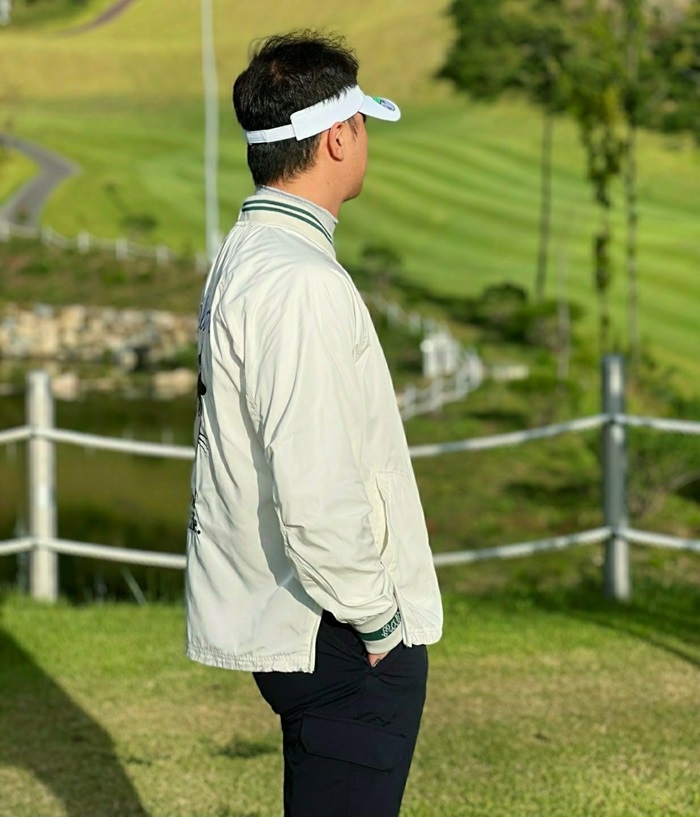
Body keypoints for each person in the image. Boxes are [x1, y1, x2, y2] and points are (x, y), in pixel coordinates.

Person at [185, 30, 443, 817]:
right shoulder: (300, 282)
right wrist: (381, 622)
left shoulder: (250, 252)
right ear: (337, 138)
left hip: (306, 623)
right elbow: (316, 486)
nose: (364, 142)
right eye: (362, 126)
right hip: (336, 629)